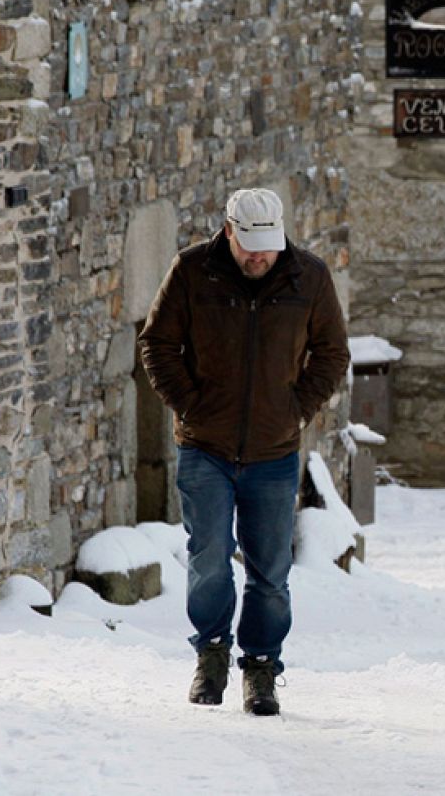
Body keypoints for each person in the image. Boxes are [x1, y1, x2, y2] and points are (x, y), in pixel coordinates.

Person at [138, 187, 350, 716]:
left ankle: (261, 668)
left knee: (271, 573)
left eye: (268, 248)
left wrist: (298, 408)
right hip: (204, 447)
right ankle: (211, 654)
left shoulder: (310, 277)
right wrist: (188, 404)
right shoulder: (191, 271)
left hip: (273, 453)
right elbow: (156, 342)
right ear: (229, 231)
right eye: (251, 246)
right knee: (209, 558)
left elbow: (332, 351)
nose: (260, 258)